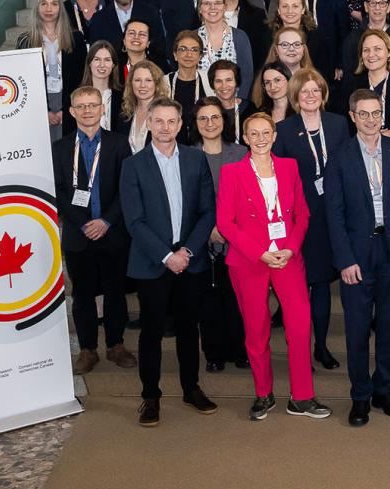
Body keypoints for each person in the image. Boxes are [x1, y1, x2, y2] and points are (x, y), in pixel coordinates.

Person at [215, 111, 331, 420]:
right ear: (245, 138)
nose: (261, 139)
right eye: (254, 134)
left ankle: (302, 397)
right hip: (249, 260)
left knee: (299, 324)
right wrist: (259, 252)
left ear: (274, 135)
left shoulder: (290, 167)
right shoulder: (232, 173)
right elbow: (225, 223)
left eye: (266, 133)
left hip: (287, 258)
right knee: (256, 330)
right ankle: (263, 394)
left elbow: (303, 214)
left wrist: (291, 248)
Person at [119, 98, 219, 427]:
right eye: (158, 121)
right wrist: (166, 256)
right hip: (153, 262)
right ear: (149, 123)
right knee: (151, 332)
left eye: (171, 121)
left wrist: (187, 252)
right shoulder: (133, 166)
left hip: (190, 260)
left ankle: (191, 389)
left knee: (190, 328)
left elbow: (207, 211)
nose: (165, 127)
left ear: (180, 125)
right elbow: (134, 221)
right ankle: (151, 397)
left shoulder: (195, 159)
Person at [326, 89, 390, 426]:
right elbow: (334, 214)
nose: (370, 119)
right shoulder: (339, 157)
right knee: (355, 327)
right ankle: (360, 395)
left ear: (382, 115)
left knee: (388, 325)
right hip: (357, 255)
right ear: (352, 117)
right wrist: (345, 260)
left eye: (375, 113)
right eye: (363, 114)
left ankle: (383, 387)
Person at [52, 86, 135, 374]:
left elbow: (127, 187)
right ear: (72, 112)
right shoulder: (60, 148)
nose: (87, 110)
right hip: (78, 235)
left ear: (102, 109)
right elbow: (60, 192)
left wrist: (106, 221)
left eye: (93, 105)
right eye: (81, 106)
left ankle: (116, 344)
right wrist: (82, 223)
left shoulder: (119, 144)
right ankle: (87, 349)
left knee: (115, 292)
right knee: (83, 295)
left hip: (112, 232)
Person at [273, 68, 350, 371]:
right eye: (304, 91)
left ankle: (320, 346)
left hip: (332, 214)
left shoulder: (339, 124)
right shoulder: (284, 128)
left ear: (322, 94)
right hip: (299, 217)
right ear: (295, 96)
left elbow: (346, 166)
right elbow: (279, 177)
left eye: (315, 90)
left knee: (321, 284)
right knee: (298, 286)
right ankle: (298, 345)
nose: (310, 95)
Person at [193, 97, 253, 379]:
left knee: (239, 299)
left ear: (224, 121)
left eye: (214, 117)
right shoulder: (188, 155)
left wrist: (227, 227)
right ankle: (214, 354)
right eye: (203, 118)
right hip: (201, 240)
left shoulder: (241, 154)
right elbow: (186, 200)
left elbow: (249, 198)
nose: (209, 123)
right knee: (208, 300)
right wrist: (208, 229)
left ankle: (241, 351)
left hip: (238, 240)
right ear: (195, 124)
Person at [18, 0, 83, 141]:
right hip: (38, 101)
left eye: (54, 4)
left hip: (67, 101)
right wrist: (43, 111)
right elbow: (24, 79)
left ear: (60, 8)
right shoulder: (25, 41)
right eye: (44, 4)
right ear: (37, 8)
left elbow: (80, 77)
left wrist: (67, 109)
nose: (49, 9)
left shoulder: (76, 38)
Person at [343, 29, 390, 131]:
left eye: (377, 49)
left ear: (389, 53)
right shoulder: (352, 84)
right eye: (366, 50)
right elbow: (346, 123)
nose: (371, 55)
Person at [195, 0, 255, 102]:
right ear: (200, 9)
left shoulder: (240, 37)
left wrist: (240, 100)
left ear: (224, 7)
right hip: (201, 106)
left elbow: (247, 74)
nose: (213, 7)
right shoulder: (193, 38)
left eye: (217, 3)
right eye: (207, 3)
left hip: (233, 104)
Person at [72, 41, 125, 134]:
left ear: (113, 65)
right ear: (89, 63)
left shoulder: (123, 97)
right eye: (97, 59)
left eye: (107, 60)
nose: (102, 65)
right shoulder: (75, 96)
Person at [122, 60, 170, 153]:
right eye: (137, 80)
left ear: (156, 84)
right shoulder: (124, 115)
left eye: (148, 80)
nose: (142, 85)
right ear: (131, 84)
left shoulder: (167, 114)